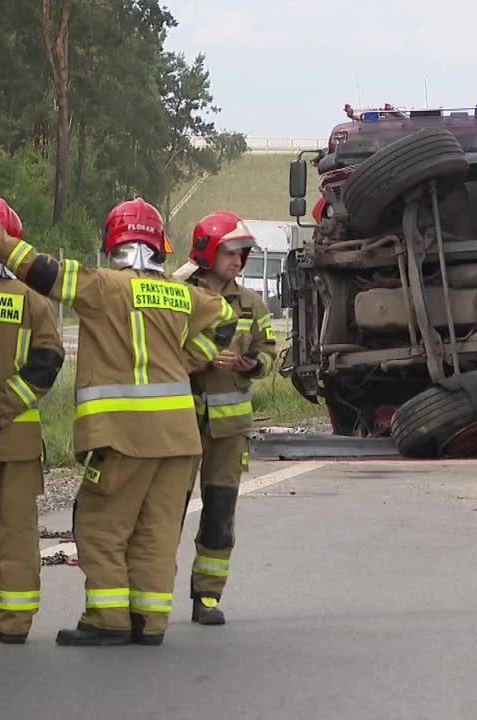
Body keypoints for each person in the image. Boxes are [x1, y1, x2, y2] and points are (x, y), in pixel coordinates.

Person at [0, 197, 236, 646]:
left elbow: (45, 273)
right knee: (157, 532)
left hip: (123, 438)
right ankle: (150, 621)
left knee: (100, 527)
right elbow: (226, 317)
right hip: (179, 440)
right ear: (159, 245)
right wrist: (188, 361)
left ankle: (108, 619)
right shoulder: (184, 296)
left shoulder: (103, 287)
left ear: (112, 243)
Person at [0, 197, 63, 644]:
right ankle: (15, 625)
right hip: (15, 441)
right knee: (16, 534)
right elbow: (48, 360)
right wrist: (3, 407)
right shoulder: (33, 302)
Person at [178, 211, 279, 626]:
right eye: (231, 253)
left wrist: (250, 364)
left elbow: (270, 353)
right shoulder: (177, 294)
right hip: (179, 425)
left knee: (220, 513)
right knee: (165, 513)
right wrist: (199, 357)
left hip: (229, 431)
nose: (239, 261)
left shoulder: (251, 303)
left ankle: (207, 597)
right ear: (208, 252)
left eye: (244, 254)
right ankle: (149, 597)